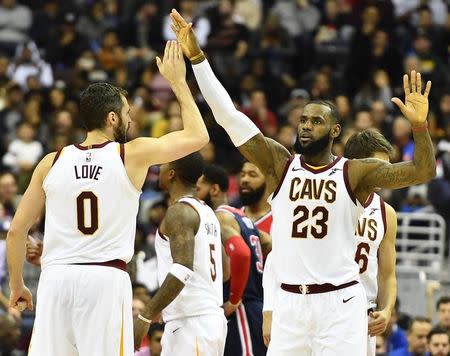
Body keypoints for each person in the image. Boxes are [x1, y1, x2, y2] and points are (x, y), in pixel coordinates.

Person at [170, 9, 436, 355]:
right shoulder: (281, 165)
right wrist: (197, 58)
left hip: (340, 302)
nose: (306, 125)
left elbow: (422, 171)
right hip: (291, 304)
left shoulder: (354, 172)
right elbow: (228, 116)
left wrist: (419, 126)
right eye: (303, 120)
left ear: (335, 131)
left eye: (316, 121)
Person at [6, 40, 209, 356]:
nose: (131, 121)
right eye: (127, 114)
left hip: (55, 280)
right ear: (112, 118)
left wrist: (17, 285)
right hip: (104, 280)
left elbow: (17, 231)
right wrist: (179, 83)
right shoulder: (131, 154)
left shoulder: (51, 161)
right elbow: (198, 136)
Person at [262, 129, 399, 356]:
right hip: (314, 303)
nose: (384, 173)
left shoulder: (387, 213)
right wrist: (269, 311)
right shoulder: (324, 194)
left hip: (360, 313)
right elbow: (279, 255)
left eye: (388, 166)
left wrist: (386, 310)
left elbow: (387, 274)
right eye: (379, 166)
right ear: (358, 163)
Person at [133, 153, 227, 356]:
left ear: (171, 174)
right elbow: (225, 271)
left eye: (164, 164)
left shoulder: (179, 212)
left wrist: (146, 315)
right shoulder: (208, 212)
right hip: (208, 320)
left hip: (192, 322)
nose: (160, 167)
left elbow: (182, 268)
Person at [196, 164, 271, 356]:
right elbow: (268, 243)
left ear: (213, 189)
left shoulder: (220, 217)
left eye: (197, 189)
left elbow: (242, 254)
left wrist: (234, 299)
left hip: (243, 307)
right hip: (255, 305)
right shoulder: (240, 215)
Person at [239, 161, 273, 234]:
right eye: (242, 175)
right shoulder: (234, 217)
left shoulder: (279, 219)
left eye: (252, 175)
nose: (244, 179)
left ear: (268, 179)